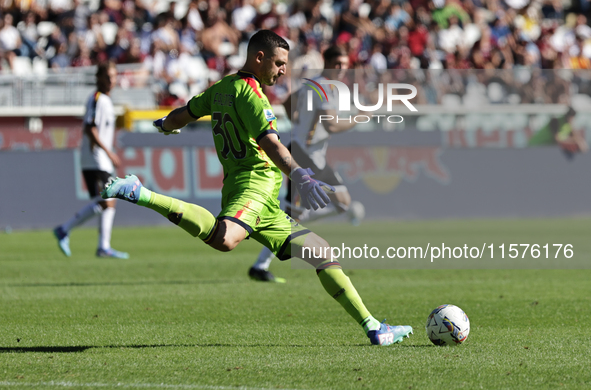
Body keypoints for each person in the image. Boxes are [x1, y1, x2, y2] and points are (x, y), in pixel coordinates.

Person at [101, 30, 412, 346]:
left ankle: (374, 328)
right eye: (278, 63)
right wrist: (301, 176)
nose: (283, 70)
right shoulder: (253, 95)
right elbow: (272, 145)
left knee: (322, 252)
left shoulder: (221, 88)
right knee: (224, 239)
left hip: (261, 198)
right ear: (258, 57)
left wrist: (165, 125)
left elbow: (184, 114)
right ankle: (141, 193)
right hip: (256, 184)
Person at [248, 45, 365, 283]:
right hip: (303, 155)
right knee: (340, 203)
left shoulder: (315, 85)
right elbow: (331, 125)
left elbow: (288, 103)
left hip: (311, 155)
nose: (342, 69)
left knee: (341, 203)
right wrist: (357, 119)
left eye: (345, 65)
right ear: (328, 63)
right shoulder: (323, 88)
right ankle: (262, 260)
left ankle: (271, 248)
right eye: (338, 64)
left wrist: (299, 121)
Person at [53, 61, 129, 259]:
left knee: (109, 201)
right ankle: (65, 229)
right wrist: (109, 152)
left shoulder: (106, 100)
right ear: (98, 78)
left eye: (114, 77)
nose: (112, 81)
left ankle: (103, 246)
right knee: (107, 201)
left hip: (100, 158)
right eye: (108, 77)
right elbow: (90, 128)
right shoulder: (96, 99)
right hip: (95, 157)